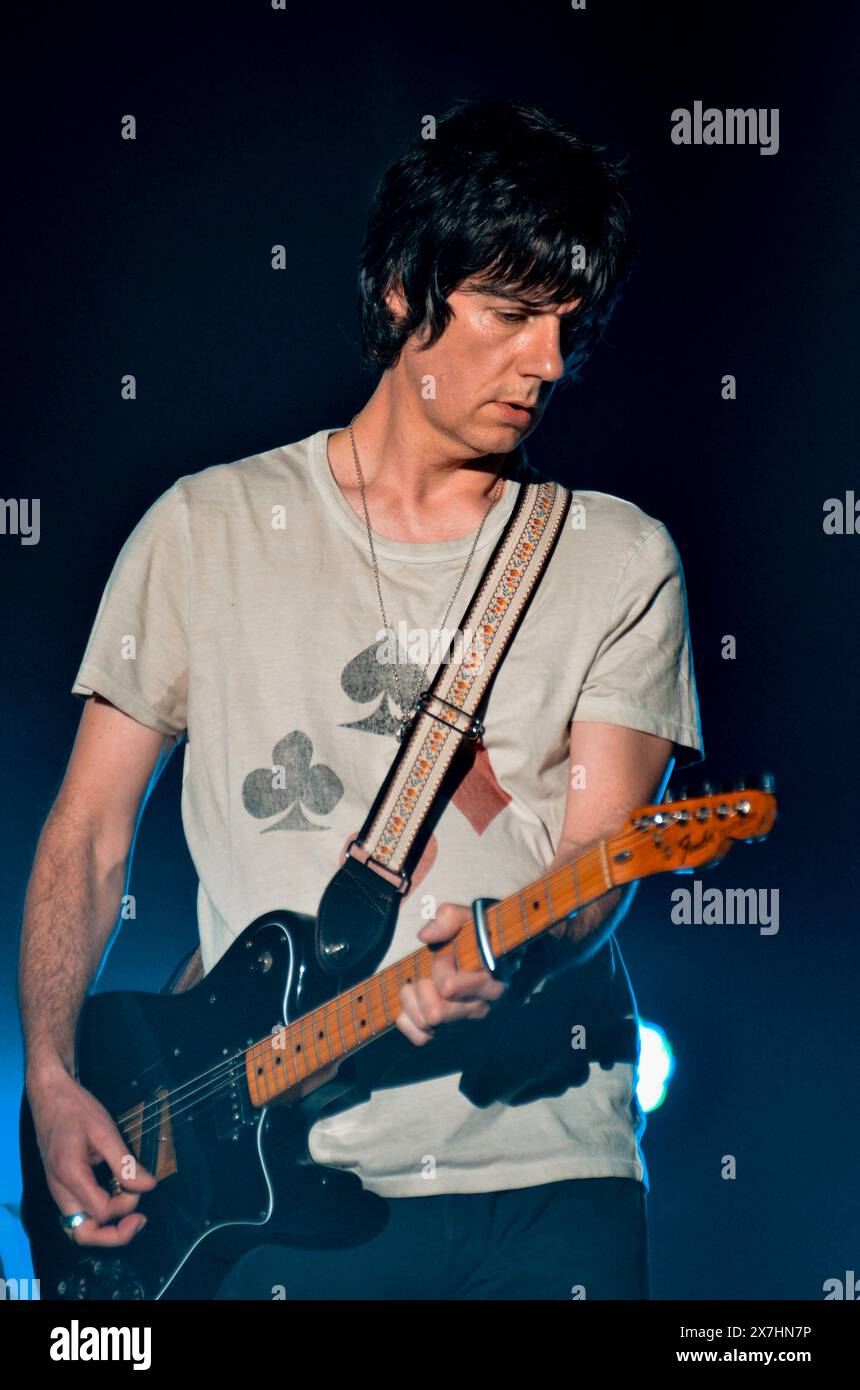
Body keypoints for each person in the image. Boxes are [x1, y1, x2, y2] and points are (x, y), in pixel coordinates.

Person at [18, 98, 704, 1300]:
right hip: (265, 1187)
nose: (546, 362)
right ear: (401, 288)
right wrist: (51, 1071)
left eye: (567, 324)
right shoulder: (205, 527)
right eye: (507, 313)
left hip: (546, 1188)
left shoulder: (616, 556)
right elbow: (86, 832)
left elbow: (601, 871)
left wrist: (516, 945)